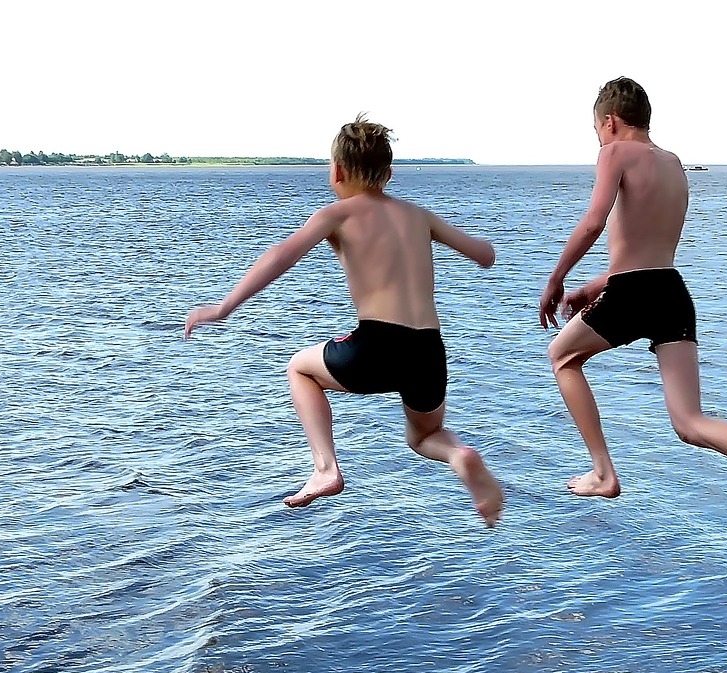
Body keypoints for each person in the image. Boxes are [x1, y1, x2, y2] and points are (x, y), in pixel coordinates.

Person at [538, 77, 727, 536]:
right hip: (671, 292)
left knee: (562, 356)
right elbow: (649, 251)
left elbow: (595, 223)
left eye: (596, 129)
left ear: (609, 122)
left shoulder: (613, 153)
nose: (597, 138)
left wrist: (557, 278)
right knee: (691, 422)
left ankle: (602, 472)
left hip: (635, 292)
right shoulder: (673, 164)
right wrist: (595, 287)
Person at [185, 116, 504, 526]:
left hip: (377, 342)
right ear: (389, 174)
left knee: (300, 369)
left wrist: (223, 307)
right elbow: (485, 254)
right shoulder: (419, 216)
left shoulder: (336, 215)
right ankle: (460, 455)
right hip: (428, 348)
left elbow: (280, 256)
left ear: (336, 170)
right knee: (425, 436)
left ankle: (325, 468)